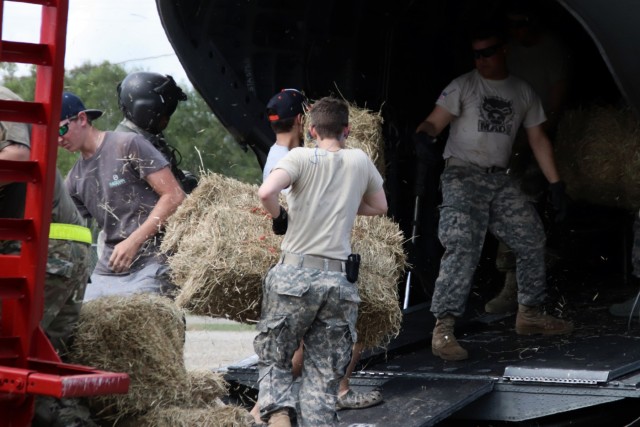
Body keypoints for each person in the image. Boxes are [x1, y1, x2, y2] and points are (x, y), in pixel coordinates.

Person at [415, 24, 573, 362]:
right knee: (461, 247)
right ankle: (443, 330)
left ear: (504, 51)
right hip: (462, 175)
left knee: (532, 239)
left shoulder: (523, 91)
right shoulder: (464, 85)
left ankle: (528, 314)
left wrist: (556, 184)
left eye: (488, 52)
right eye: (476, 54)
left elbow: (538, 140)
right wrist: (424, 137)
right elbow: (434, 122)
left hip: (499, 179)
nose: (482, 59)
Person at [249, 89, 382, 424]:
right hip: (339, 282)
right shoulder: (360, 161)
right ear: (347, 130)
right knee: (323, 380)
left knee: (275, 357)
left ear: (311, 130)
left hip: (295, 276)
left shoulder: (299, 158)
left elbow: (266, 191)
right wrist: (348, 203)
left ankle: (278, 413)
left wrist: (280, 216)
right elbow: (381, 207)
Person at [0, 85, 96, 426]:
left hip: (46, 252)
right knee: (42, 365)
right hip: (53, 252)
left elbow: (18, 154)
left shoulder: (3, 99)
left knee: (14, 363)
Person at [485, 0, 572, 314]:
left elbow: (555, 107)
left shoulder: (551, 52)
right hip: (510, 135)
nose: (517, 30)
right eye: (512, 24)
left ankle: (516, 288)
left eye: (522, 23)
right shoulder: (510, 51)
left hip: (541, 135)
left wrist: (530, 136)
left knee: (520, 197)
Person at [59, 92, 185, 301]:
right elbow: (66, 228)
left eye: (61, 129)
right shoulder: (74, 179)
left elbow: (174, 196)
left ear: (82, 119)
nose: (58, 139)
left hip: (153, 259)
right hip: (110, 268)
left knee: (142, 317)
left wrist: (133, 241)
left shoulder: (128, 144)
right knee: (80, 318)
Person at [116, 71, 198, 194]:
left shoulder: (149, 138)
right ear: (146, 110)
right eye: (163, 112)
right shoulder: (126, 147)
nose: (166, 119)